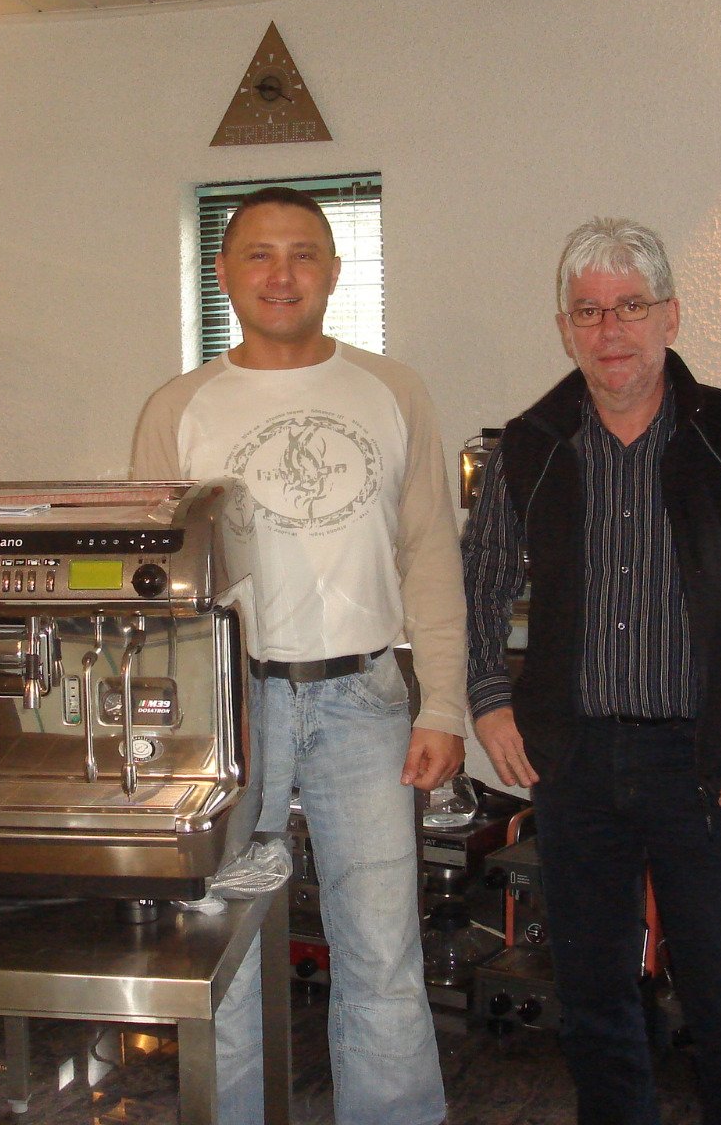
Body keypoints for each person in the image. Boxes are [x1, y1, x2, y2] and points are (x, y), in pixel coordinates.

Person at [462, 217, 721, 1125]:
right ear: (566, 327)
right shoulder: (525, 449)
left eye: (630, 308)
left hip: (710, 768)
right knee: (597, 1010)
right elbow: (476, 586)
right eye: (589, 312)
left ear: (671, 317)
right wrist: (489, 700)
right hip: (572, 768)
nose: (610, 331)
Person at [131, 186, 467, 1125]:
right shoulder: (181, 407)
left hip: (365, 701)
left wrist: (442, 702)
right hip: (230, 714)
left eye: (304, 253)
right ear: (225, 273)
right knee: (225, 953)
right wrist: (165, 733)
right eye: (259, 255)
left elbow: (432, 552)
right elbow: (154, 587)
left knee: (383, 957)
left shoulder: (393, 391)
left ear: (334, 268)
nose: (283, 274)